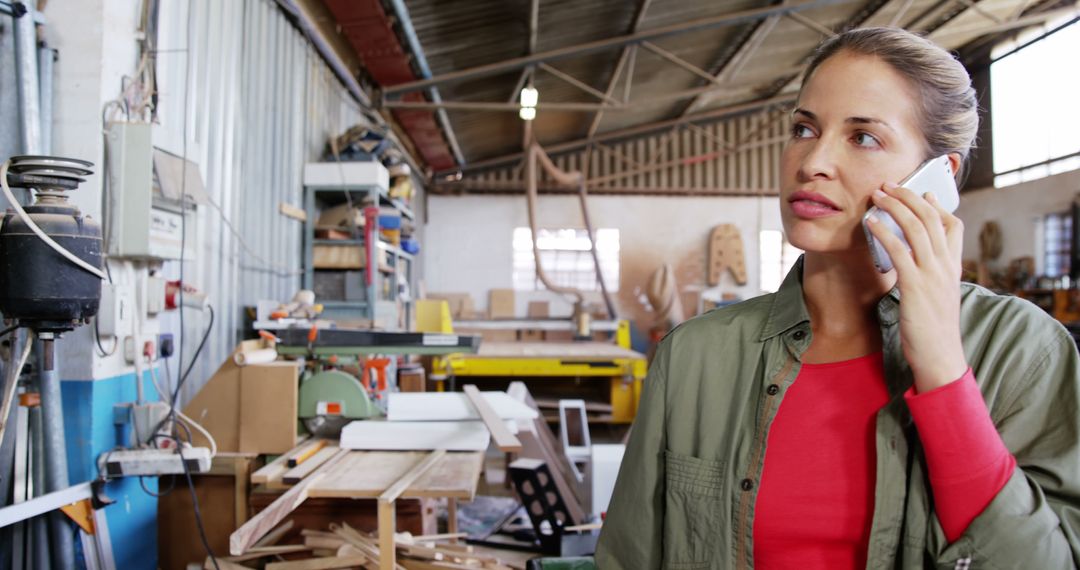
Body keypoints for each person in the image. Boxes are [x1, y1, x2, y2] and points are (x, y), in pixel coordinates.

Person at [595, 27, 1080, 569]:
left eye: (863, 137)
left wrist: (942, 367)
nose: (812, 162)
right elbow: (628, 558)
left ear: (938, 178)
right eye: (804, 128)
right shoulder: (695, 357)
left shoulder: (1023, 350)